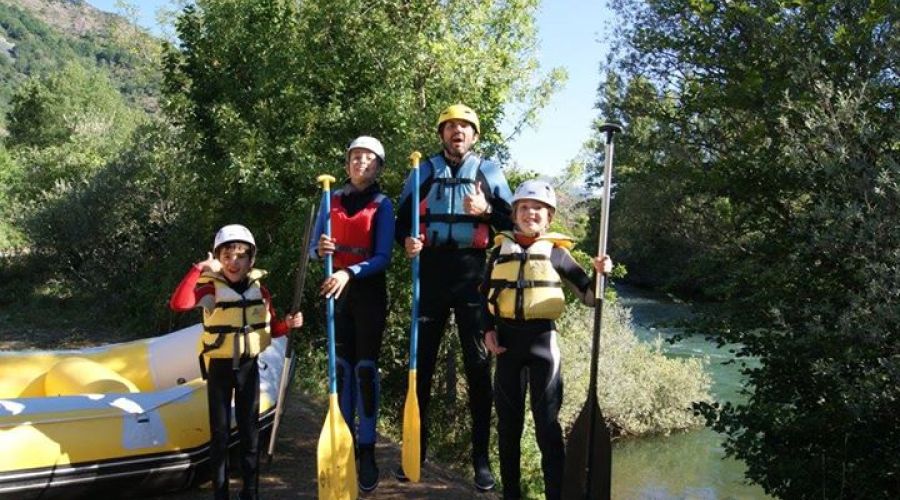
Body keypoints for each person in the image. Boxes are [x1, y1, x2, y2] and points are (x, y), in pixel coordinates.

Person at [395, 104, 513, 490]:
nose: (457, 132)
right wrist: (407, 242)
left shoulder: (488, 172)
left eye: (464, 127)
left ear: (475, 135)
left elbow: (514, 222)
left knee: (478, 368)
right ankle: (417, 451)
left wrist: (487, 208)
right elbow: (399, 223)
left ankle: (481, 459)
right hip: (430, 273)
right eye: (450, 127)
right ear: (441, 133)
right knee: (422, 366)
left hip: (472, 274)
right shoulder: (423, 171)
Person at [481, 180, 612, 500]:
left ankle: (556, 494)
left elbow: (591, 297)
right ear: (514, 214)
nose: (531, 213)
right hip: (507, 346)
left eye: (538, 209)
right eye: (524, 207)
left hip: (543, 345)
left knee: (548, 429)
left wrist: (601, 273)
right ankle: (511, 493)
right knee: (509, 429)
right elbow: (484, 297)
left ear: (549, 217)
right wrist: (488, 331)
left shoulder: (556, 254)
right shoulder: (500, 251)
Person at [169, 224, 303, 500]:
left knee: (250, 433)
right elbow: (179, 304)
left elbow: (270, 329)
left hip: (247, 367)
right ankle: (221, 494)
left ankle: (250, 492)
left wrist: (288, 324)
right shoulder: (210, 289)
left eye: (241, 256)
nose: (234, 262)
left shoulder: (260, 291)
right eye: (227, 256)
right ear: (219, 258)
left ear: (251, 260)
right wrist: (199, 268)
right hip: (219, 369)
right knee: (219, 435)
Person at [308, 136, 394, 492]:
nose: (360, 162)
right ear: (347, 164)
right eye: (355, 157)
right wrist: (321, 250)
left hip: (367, 291)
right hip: (336, 292)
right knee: (341, 368)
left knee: (363, 369)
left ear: (377, 167)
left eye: (368, 158)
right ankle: (341, 442)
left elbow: (383, 256)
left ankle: (367, 449)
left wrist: (348, 272)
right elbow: (315, 248)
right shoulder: (331, 199)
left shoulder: (382, 204)